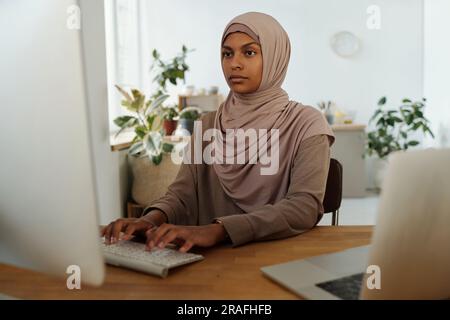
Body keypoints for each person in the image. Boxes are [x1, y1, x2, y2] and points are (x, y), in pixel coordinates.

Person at [101, 12, 335, 253]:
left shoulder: (307, 124)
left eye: (250, 52)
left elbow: (303, 207)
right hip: (211, 264)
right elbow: (181, 195)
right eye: (227, 53)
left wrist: (219, 230)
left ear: (276, 57)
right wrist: (150, 220)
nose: (235, 63)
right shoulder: (208, 124)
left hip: (279, 257)